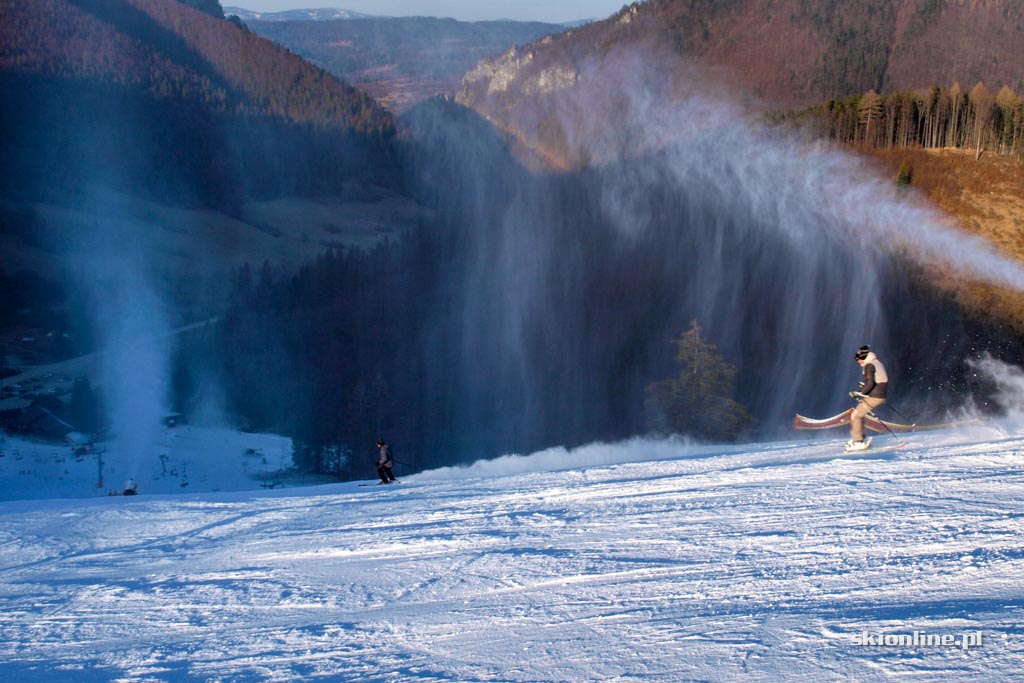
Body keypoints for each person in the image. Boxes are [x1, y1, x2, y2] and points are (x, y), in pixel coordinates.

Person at [847, 345, 888, 451]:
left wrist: (859, 393)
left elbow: (870, 383)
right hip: (880, 394)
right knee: (859, 414)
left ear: (863, 357)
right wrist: (863, 387)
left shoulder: (869, 365)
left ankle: (858, 442)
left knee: (855, 415)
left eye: (859, 359)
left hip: (875, 396)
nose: (858, 362)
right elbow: (876, 380)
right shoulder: (877, 363)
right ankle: (860, 437)